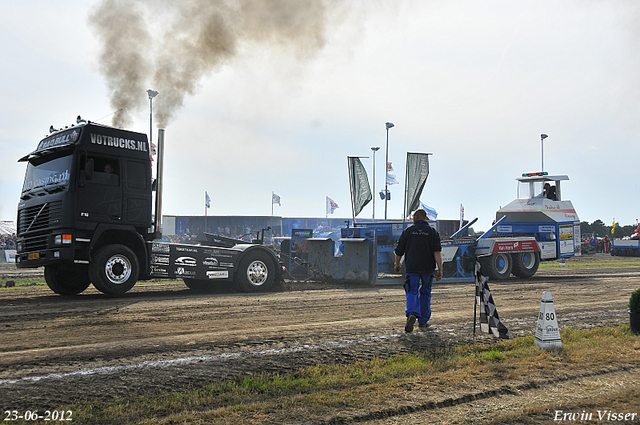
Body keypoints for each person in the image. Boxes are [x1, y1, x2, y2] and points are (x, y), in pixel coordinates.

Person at [394, 208, 443, 333]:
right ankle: (423, 321)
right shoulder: (432, 232)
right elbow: (437, 252)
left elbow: (399, 250)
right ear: (425, 218)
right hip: (428, 268)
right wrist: (440, 269)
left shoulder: (408, 231)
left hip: (412, 267)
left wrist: (397, 264)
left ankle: (411, 313)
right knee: (425, 293)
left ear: (415, 217)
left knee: (412, 290)